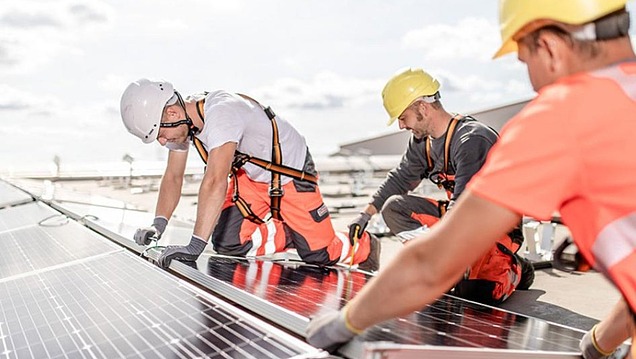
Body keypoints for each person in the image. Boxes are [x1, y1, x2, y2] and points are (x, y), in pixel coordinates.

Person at [306, 0, 636, 357]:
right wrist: (600, 341)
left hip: (491, 232)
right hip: (468, 221)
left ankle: (512, 269)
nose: (532, 80)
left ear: (548, 48)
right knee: (403, 214)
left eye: (524, 61)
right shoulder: (618, 102)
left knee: (473, 292)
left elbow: (429, 264)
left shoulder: (560, 117)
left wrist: (345, 322)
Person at [119, 80, 381, 271]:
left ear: (173, 113)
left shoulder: (221, 112)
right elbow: (173, 177)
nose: (163, 143)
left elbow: (215, 181)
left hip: (290, 174)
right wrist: (158, 225)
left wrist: (194, 247)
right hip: (251, 178)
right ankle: (293, 229)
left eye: (161, 135)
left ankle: (365, 244)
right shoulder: (183, 124)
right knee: (226, 242)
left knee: (320, 254)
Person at [349, 67, 533, 305]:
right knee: (394, 208)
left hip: (494, 225)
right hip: (460, 220)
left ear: (422, 108)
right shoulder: (422, 143)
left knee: (476, 293)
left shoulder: (473, 140)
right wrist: (365, 216)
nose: (401, 126)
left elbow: (467, 207)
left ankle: (517, 267)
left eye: (403, 117)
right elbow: (400, 179)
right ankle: (441, 268)